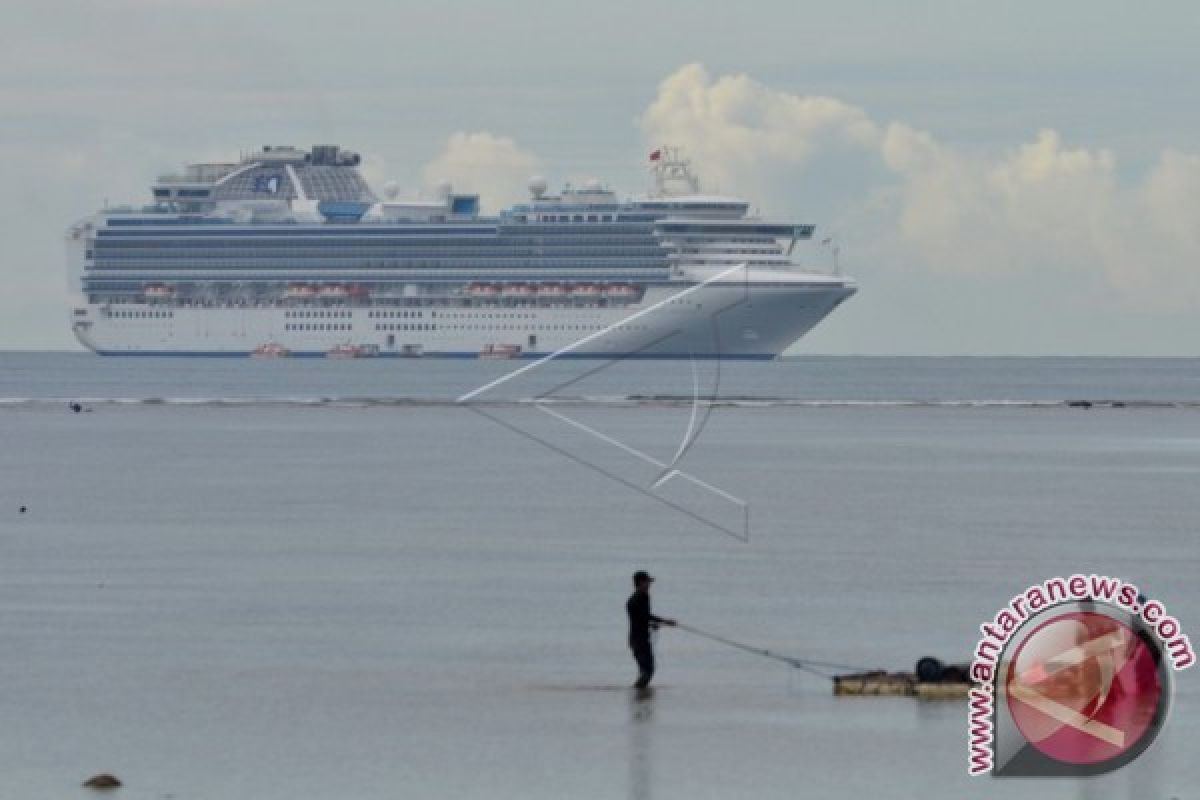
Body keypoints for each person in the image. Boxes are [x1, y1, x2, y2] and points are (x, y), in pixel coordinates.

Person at [626, 570, 675, 688]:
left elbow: (642, 618)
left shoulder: (637, 598)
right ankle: (637, 691)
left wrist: (655, 623)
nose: (649, 585)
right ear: (640, 583)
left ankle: (638, 694)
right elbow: (645, 617)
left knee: (646, 670)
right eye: (647, 582)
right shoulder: (640, 598)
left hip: (637, 639)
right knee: (647, 670)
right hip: (639, 640)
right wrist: (665, 621)